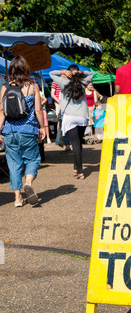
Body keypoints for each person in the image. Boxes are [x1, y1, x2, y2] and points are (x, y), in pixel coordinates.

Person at [0, 55, 45, 207]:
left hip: (9, 131)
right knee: (32, 159)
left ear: (11, 69)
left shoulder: (5, 87)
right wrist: (42, 127)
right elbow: (38, 110)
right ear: (26, 69)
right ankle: (28, 182)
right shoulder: (33, 86)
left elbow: (1, 112)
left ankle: (17, 199)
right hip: (28, 130)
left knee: (13, 164)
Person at [49, 65, 94, 180]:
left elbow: (51, 74)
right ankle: (76, 168)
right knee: (78, 144)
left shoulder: (63, 82)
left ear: (69, 72)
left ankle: (80, 171)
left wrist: (62, 71)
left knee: (75, 145)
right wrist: (80, 72)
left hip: (69, 118)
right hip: (82, 117)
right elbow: (91, 74)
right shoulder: (83, 82)